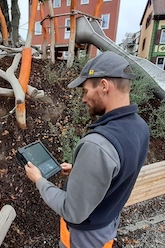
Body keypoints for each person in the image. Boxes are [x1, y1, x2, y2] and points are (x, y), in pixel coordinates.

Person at [24, 51, 150, 248]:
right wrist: (82, 172)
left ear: (104, 86)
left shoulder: (97, 145)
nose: (83, 99)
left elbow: (72, 210)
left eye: (85, 91)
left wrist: (39, 180)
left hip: (85, 238)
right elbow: (119, 172)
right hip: (107, 225)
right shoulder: (139, 127)